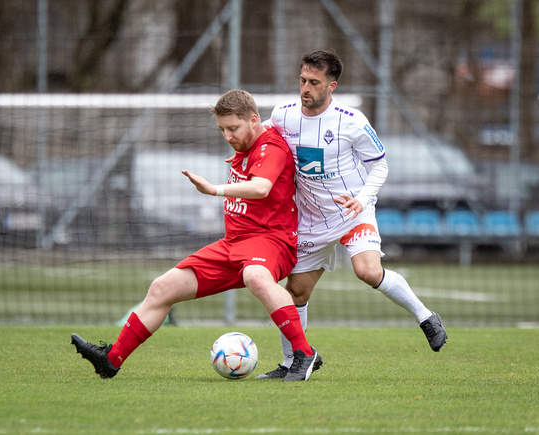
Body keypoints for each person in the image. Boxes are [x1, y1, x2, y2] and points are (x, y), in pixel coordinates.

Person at [71, 89, 322, 382]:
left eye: (233, 128)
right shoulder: (250, 142)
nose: (227, 136)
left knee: (256, 276)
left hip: (270, 240)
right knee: (163, 287)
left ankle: (304, 353)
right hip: (232, 244)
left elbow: (261, 188)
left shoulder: (271, 147)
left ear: (254, 121)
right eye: (222, 130)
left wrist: (214, 189)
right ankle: (110, 360)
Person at [256, 50, 447, 379]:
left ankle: (425, 316)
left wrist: (362, 198)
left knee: (368, 272)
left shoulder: (352, 121)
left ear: (331, 86)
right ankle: (294, 361)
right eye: (302, 80)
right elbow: (263, 138)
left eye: (314, 82)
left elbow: (380, 165)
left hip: (352, 212)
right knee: (296, 290)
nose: (305, 88)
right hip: (311, 219)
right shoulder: (283, 115)